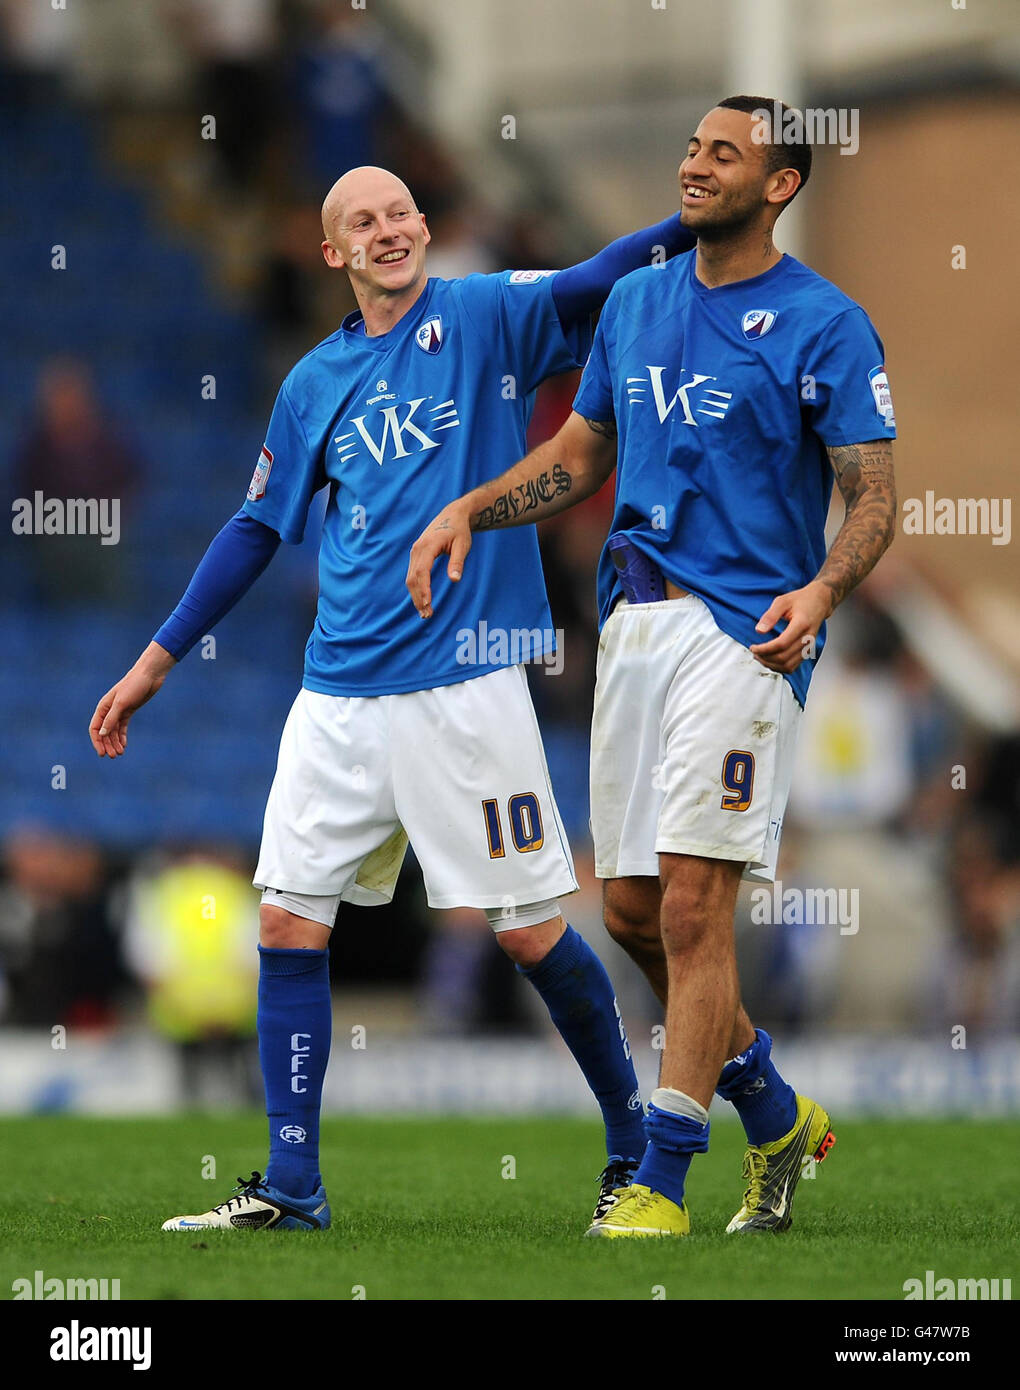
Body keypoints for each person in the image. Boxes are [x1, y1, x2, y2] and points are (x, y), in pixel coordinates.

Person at [89, 164, 698, 1232]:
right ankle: (292, 1184)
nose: (386, 230)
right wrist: (157, 658)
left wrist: (698, 219)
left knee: (523, 931)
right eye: (359, 221)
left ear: (423, 227)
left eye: (399, 212)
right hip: (335, 695)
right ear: (332, 252)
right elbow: (255, 529)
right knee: (285, 922)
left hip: (463, 687)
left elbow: (598, 276)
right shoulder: (313, 381)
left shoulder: (480, 312)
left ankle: (631, 1143)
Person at [407, 96, 899, 1238]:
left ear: (778, 185)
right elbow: (582, 456)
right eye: (690, 146)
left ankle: (664, 1181)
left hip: (745, 631)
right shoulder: (633, 301)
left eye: (723, 154)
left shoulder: (828, 324)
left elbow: (875, 498)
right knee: (630, 911)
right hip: (635, 626)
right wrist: (470, 512)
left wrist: (820, 592)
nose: (693, 165)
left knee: (692, 906)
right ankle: (772, 1111)